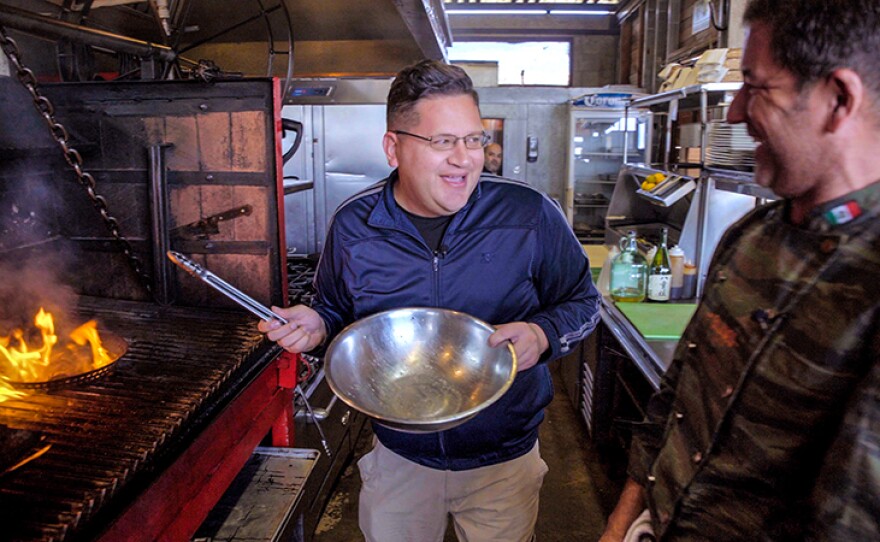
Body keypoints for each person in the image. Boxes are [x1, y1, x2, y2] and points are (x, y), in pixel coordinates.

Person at [261, 60, 600, 542]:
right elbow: (337, 313)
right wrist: (316, 326)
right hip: (400, 461)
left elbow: (583, 302)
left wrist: (543, 334)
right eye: (443, 142)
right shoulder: (356, 225)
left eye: (474, 139)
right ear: (393, 148)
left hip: (504, 464)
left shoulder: (528, 214)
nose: (465, 159)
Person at [600, 0, 880, 540]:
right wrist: (619, 524)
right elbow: (676, 401)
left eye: (757, 87)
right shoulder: (752, 235)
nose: (733, 113)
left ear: (838, 99)